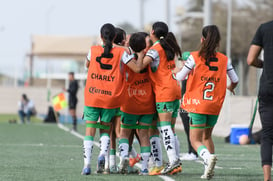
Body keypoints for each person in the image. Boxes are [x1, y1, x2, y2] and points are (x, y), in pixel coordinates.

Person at [174, 25, 239, 179]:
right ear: (218, 42)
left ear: (202, 40)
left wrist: (179, 71)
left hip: (197, 104)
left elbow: (180, 77)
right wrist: (230, 87)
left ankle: (208, 158)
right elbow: (235, 80)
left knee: (194, 139)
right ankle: (208, 169)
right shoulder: (224, 59)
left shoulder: (194, 57)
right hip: (214, 105)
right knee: (207, 137)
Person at [136, 22, 182, 175]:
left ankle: (173, 160)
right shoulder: (168, 46)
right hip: (175, 88)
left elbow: (140, 66)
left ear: (153, 32)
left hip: (164, 91)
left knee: (164, 126)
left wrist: (141, 53)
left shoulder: (155, 49)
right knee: (170, 128)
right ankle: (176, 161)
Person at [81, 23, 127, 175]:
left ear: (101, 36)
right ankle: (102, 154)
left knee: (89, 130)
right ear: (115, 37)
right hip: (110, 97)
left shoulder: (93, 50)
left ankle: (87, 165)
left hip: (93, 96)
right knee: (106, 129)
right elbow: (133, 66)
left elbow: (87, 65)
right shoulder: (121, 52)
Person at [118, 32, 156, 175]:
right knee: (144, 135)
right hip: (147, 103)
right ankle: (145, 168)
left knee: (124, 133)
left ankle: (123, 158)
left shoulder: (126, 58)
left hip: (130, 102)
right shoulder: (149, 59)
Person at [247, 20, 273, 181]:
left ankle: (267, 178)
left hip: (268, 88)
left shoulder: (265, 28)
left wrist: (265, 65)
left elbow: (250, 60)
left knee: (267, 134)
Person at [179, 52, 198, 161]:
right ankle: (191, 151)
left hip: (190, 105)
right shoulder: (186, 72)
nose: (182, 62)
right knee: (187, 129)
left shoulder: (191, 73)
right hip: (185, 104)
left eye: (184, 60)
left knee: (191, 129)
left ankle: (194, 152)